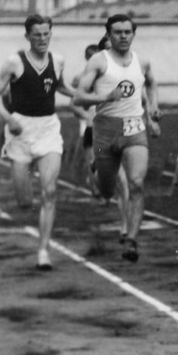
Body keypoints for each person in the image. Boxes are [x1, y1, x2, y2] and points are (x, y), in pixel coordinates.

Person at [0, 14, 76, 271]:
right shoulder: (14, 62)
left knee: (49, 192)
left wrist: (91, 96)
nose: (42, 39)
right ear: (27, 36)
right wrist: (8, 119)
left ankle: (43, 252)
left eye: (46, 34)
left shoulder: (57, 60)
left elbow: (60, 86)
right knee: (25, 201)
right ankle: (26, 200)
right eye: (37, 34)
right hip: (20, 131)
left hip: (48, 128)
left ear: (51, 33)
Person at [73, 14, 161, 263]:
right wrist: (106, 98)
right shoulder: (99, 62)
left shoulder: (142, 62)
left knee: (136, 183)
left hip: (134, 127)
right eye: (118, 32)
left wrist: (153, 108)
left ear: (133, 34)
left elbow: (152, 84)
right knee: (107, 190)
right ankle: (99, 174)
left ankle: (131, 240)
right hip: (105, 128)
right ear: (109, 35)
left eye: (127, 32)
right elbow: (79, 97)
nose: (123, 36)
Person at [69, 36, 130, 242]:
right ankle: (98, 181)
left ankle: (125, 228)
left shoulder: (128, 72)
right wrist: (88, 117)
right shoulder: (90, 76)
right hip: (96, 133)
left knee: (124, 182)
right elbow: (75, 102)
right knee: (105, 182)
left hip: (121, 131)